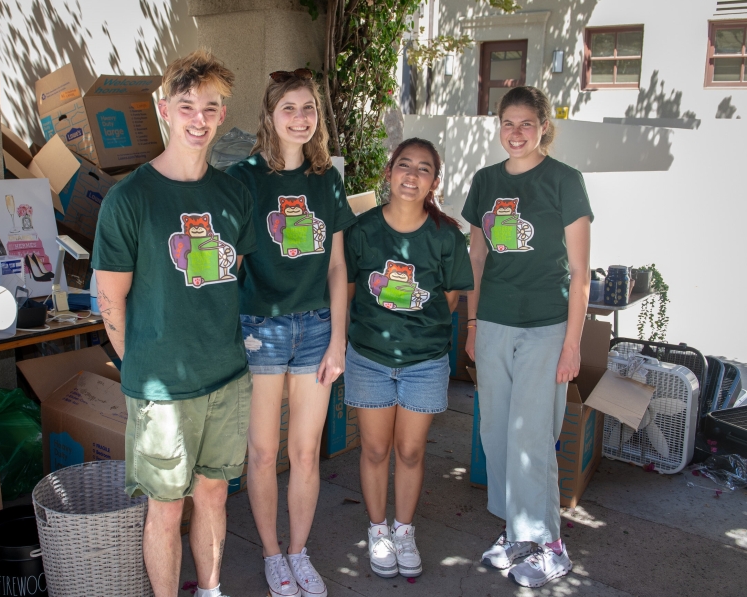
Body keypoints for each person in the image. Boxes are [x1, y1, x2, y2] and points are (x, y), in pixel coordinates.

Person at [92, 49, 255, 597]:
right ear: (164, 109)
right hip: (162, 388)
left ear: (223, 113)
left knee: (213, 495)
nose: (199, 119)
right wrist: (139, 363)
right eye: (187, 105)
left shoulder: (234, 195)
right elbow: (110, 302)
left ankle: (209, 590)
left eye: (211, 107)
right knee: (164, 512)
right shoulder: (129, 198)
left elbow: (237, 276)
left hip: (228, 378)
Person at [226, 67, 356, 597]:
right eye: (289, 109)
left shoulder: (328, 179)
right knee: (262, 453)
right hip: (260, 328)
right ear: (270, 116)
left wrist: (338, 341)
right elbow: (228, 258)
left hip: (316, 329)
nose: (300, 119)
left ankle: (299, 552)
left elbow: (337, 266)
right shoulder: (245, 178)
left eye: (309, 109)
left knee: (304, 453)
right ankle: (272, 554)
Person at [462, 86, 592, 588]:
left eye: (526, 124)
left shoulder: (565, 180)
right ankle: (517, 532)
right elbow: (476, 258)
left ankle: (551, 545)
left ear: (543, 127)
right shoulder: (485, 180)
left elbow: (580, 271)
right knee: (496, 434)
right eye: (507, 123)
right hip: (493, 322)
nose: (516, 133)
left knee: (532, 437)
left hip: (546, 326)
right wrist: (472, 324)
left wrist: (573, 343)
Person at [343, 138, 473, 579]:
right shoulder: (361, 232)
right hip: (369, 357)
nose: (411, 176)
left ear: (434, 182)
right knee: (376, 448)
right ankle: (377, 530)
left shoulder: (446, 236)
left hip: (425, 360)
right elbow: (347, 292)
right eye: (403, 165)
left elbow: (452, 298)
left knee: (411, 450)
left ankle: (403, 530)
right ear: (388, 172)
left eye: (423, 169)